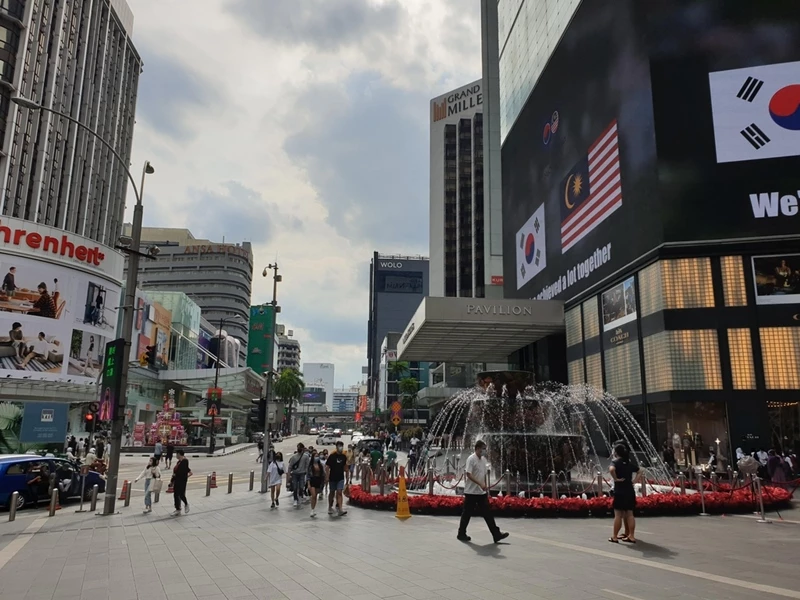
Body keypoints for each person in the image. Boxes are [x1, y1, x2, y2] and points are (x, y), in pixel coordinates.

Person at [458, 440, 508, 543]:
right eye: (482, 449)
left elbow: (483, 474)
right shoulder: (471, 459)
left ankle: (496, 534)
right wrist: (480, 483)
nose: (484, 451)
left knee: (488, 513)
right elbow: (468, 474)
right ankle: (461, 533)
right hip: (471, 492)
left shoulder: (484, 460)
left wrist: (484, 485)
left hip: (481, 493)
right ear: (477, 448)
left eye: (485, 449)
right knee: (467, 513)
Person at [609, 443, 638, 544]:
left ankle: (615, 537)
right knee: (630, 514)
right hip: (630, 491)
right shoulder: (628, 463)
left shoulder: (615, 462)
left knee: (618, 515)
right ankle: (632, 536)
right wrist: (634, 481)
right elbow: (641, 470)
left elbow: (611, 469)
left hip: (620, 491)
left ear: (616, 452)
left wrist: (616, 478)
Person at [325, 440, 349, 517]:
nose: (340, 448)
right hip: (332, 477)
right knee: (332, 492)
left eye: (341, 446)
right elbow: (327, 467)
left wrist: (347, 477)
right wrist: (327, 476)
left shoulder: (343, 457)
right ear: (336, 447)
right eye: (339, 446)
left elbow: (345, 467)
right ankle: (330, 506)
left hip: (340, 477)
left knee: (339, 492)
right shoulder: (332, 456)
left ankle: (340, 508)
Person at [287, 443, 310, 508]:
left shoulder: (306, 456)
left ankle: (300, 496)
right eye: (298, 447)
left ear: (303, 448)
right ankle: (295, 499)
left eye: (300, 447)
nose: (299, 449)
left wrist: (307, 473)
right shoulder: (294, 457)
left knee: (301, 486)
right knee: (294, 487)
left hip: (302, 474)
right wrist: (289, 475)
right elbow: (290, 466)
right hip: (295, 474)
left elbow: (307, 465)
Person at [171, 450, 192, 515]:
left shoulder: (185, 461)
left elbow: (181, 471)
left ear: (179, 454)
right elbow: (188, 470)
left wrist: (185, 477)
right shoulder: (179, 462)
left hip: (181, 481)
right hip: (177, 480)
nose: (176, 455)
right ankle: (178, 509)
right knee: (176, 495)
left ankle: (186, 504)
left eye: (176, 454)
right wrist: (172, 481)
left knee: (181, 494)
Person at [307, 449, 325, 517]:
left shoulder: (321, 465)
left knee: (315, 496)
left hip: (318, 481)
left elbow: (323, 474)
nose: (317, 457)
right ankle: (311, 510)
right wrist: (308, 483)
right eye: (315, 456)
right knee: (313, 495)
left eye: (318, 456)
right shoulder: (310, 466)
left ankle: (313, 508)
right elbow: (308, 475)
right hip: (312, 480)